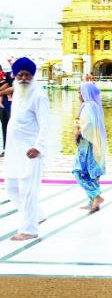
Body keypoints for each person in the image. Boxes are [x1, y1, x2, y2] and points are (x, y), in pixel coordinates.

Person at [3, 57, 50, 241]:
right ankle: (36, 215)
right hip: (13, 150)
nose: (23, 78)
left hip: (30, 151)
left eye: (27, 75)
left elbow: (46, 124)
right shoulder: (19, 93)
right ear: (14, 75)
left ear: (33, 76)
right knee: (11, 188)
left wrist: (38, 147)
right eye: (20, 74)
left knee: (27, 190)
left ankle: (29, 229)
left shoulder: (39, 95)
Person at [72, 82, 108, 213]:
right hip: (94, 143)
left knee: (78, 172)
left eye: (79, 92)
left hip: (86, 144)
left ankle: (97, 197)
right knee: (91, 173)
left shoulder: (87, 106)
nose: (78, 95)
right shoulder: (95, 106)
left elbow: (87, 124)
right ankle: (93, 202)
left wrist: (78, 133)